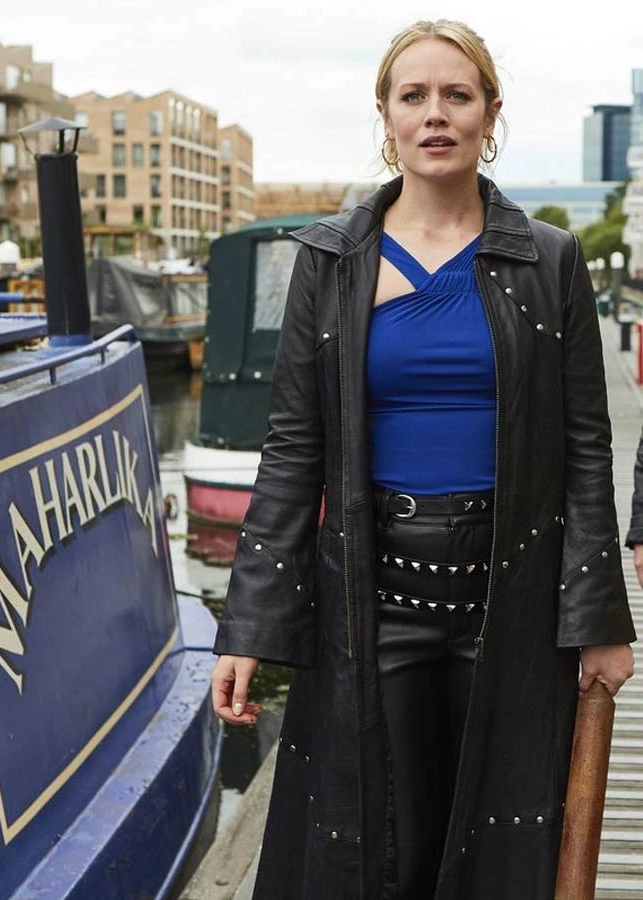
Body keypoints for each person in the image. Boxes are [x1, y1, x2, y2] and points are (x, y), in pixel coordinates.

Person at [211, 19, 636, 900]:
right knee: (377, 847)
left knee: (495, 849)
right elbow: (291, 449)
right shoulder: (329, 261)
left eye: (456, 94)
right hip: (371, 597)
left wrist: (599, 617)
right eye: (414, 96)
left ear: (489, 114)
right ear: (387, 115)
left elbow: (584, 446)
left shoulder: (548, 258)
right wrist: (250, 627)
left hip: (512, 596)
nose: (434, 113)